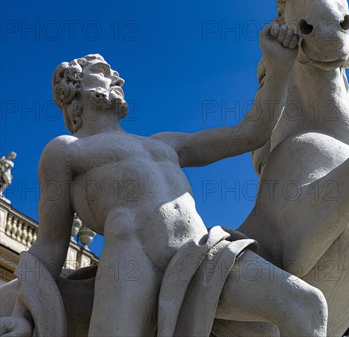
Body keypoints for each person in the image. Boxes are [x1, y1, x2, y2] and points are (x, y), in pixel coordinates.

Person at [0, 23, 328, 337]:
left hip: (200, 254)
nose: (117, 77)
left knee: (306, 304)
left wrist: (279, 65)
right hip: (130, 264)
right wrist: (22, 312)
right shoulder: (66, 150)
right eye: (103, 72)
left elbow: (249, 133)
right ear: (74, 87)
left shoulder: (164, 143)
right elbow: (50, 244)